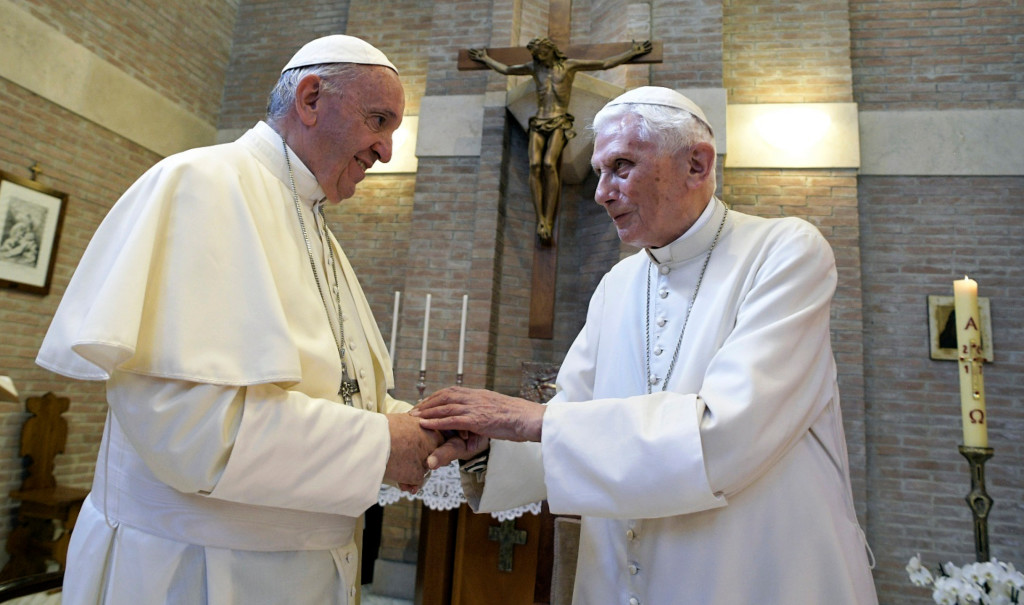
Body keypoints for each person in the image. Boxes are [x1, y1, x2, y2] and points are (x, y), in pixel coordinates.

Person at [415, 87, 879, 604]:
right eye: (599, 172)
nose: (601, 193)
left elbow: (727, 437)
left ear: (697, 164)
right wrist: (489, 450)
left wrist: (534, 420)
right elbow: (573, 418)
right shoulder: (618, 283)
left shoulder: (783, 253)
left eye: (622, 166)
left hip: (749, 577)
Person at [36, 35, 446, 604]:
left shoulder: (314, 226)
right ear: (309, 99)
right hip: (191, 574)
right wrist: (381, 443)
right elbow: (192, 430)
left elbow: (337, 395)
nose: (386, 151)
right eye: (378, 121)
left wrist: (426, 425)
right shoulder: (203, 185)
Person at [469, 37, 652, 243]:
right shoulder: (534, 68)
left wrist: (632, 53)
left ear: (551, 51)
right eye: (536, 55)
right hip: (538, 121)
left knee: (549, 164)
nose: (539, 58)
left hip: (558, 122)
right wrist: (485, 59)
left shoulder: (569, 67)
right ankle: (543, 219)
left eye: (542, 53)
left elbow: (604, 63)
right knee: (535, 165)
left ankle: (548, 218)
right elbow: (506, 70)